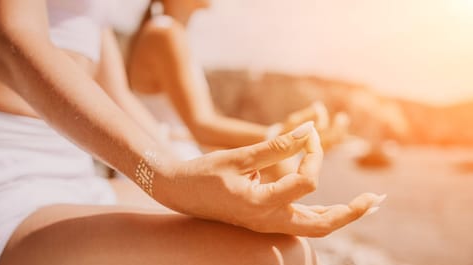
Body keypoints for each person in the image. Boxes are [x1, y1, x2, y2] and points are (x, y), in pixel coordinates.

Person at [0, 1, 383, 265]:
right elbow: (12, 44)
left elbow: (116, 99)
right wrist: (164, 177)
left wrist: (197, 177)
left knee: (286, 252)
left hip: (79, 179)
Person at [126, 0, 350, 179]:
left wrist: (286, 136)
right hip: (167, 163)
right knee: (281, 168)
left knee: (277, 166)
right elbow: (201, 126)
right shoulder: (165, 34)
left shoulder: (169, 33)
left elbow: (212, 122)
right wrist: (281, 136)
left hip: (174, 154)